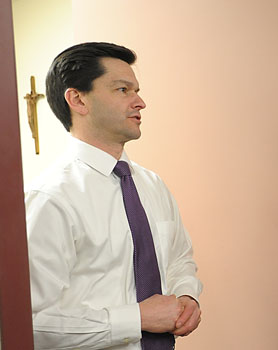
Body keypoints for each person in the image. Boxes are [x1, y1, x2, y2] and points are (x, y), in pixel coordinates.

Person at [25, 42, 202, 349]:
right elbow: (34, 322)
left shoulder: (152, 185)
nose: (141, 102)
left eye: (136, 90)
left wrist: (187, 295)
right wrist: (136, 319)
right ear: (78, 99)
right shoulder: (50, 198)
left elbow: (179, 259)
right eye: (123, 90)